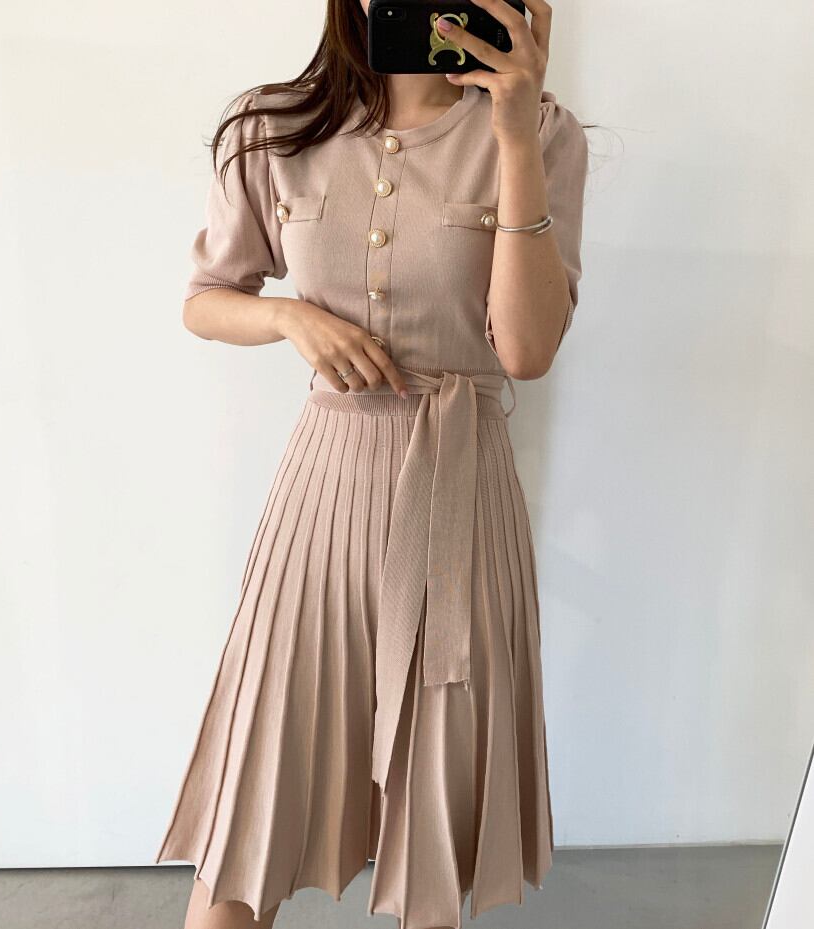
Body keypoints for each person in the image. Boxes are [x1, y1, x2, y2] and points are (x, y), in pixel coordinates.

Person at [155, 2, 589, 927]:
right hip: (322, 496)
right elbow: (206, 298)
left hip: (461, 499)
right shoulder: (271, 129)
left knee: (435, 799)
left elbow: (526, 350)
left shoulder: (543, 134)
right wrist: (288, 317)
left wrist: (514, 137)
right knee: (257, 797)